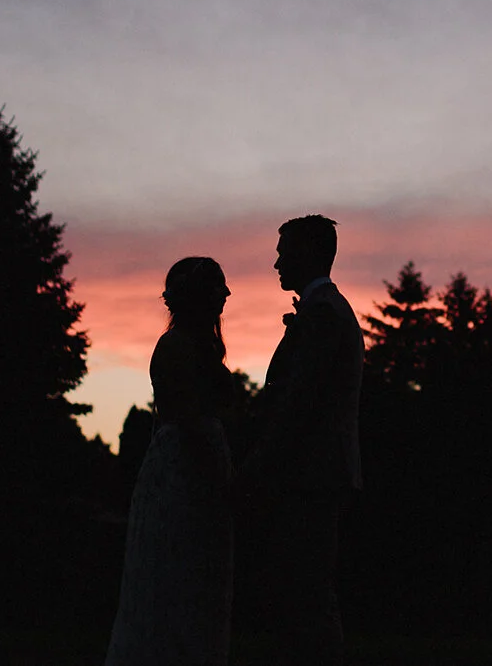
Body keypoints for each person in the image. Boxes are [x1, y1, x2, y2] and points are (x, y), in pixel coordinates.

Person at [236, 215, 363, 666]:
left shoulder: (323, 314)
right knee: (301, 591)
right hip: (312, 473)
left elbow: (300, 403)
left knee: (304, 593)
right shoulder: (324, 310)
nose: (276, 263)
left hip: (311, 475)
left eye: (283, 252)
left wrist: (259, 465)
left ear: (309, 253)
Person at [105, 257, 235, 666]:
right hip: (183, 472)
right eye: (217, 287)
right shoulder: (178, 346)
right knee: (174, 577)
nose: (226, 294)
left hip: (192, 463)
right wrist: (220, 477)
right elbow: (188, 418)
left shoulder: (197, 345)